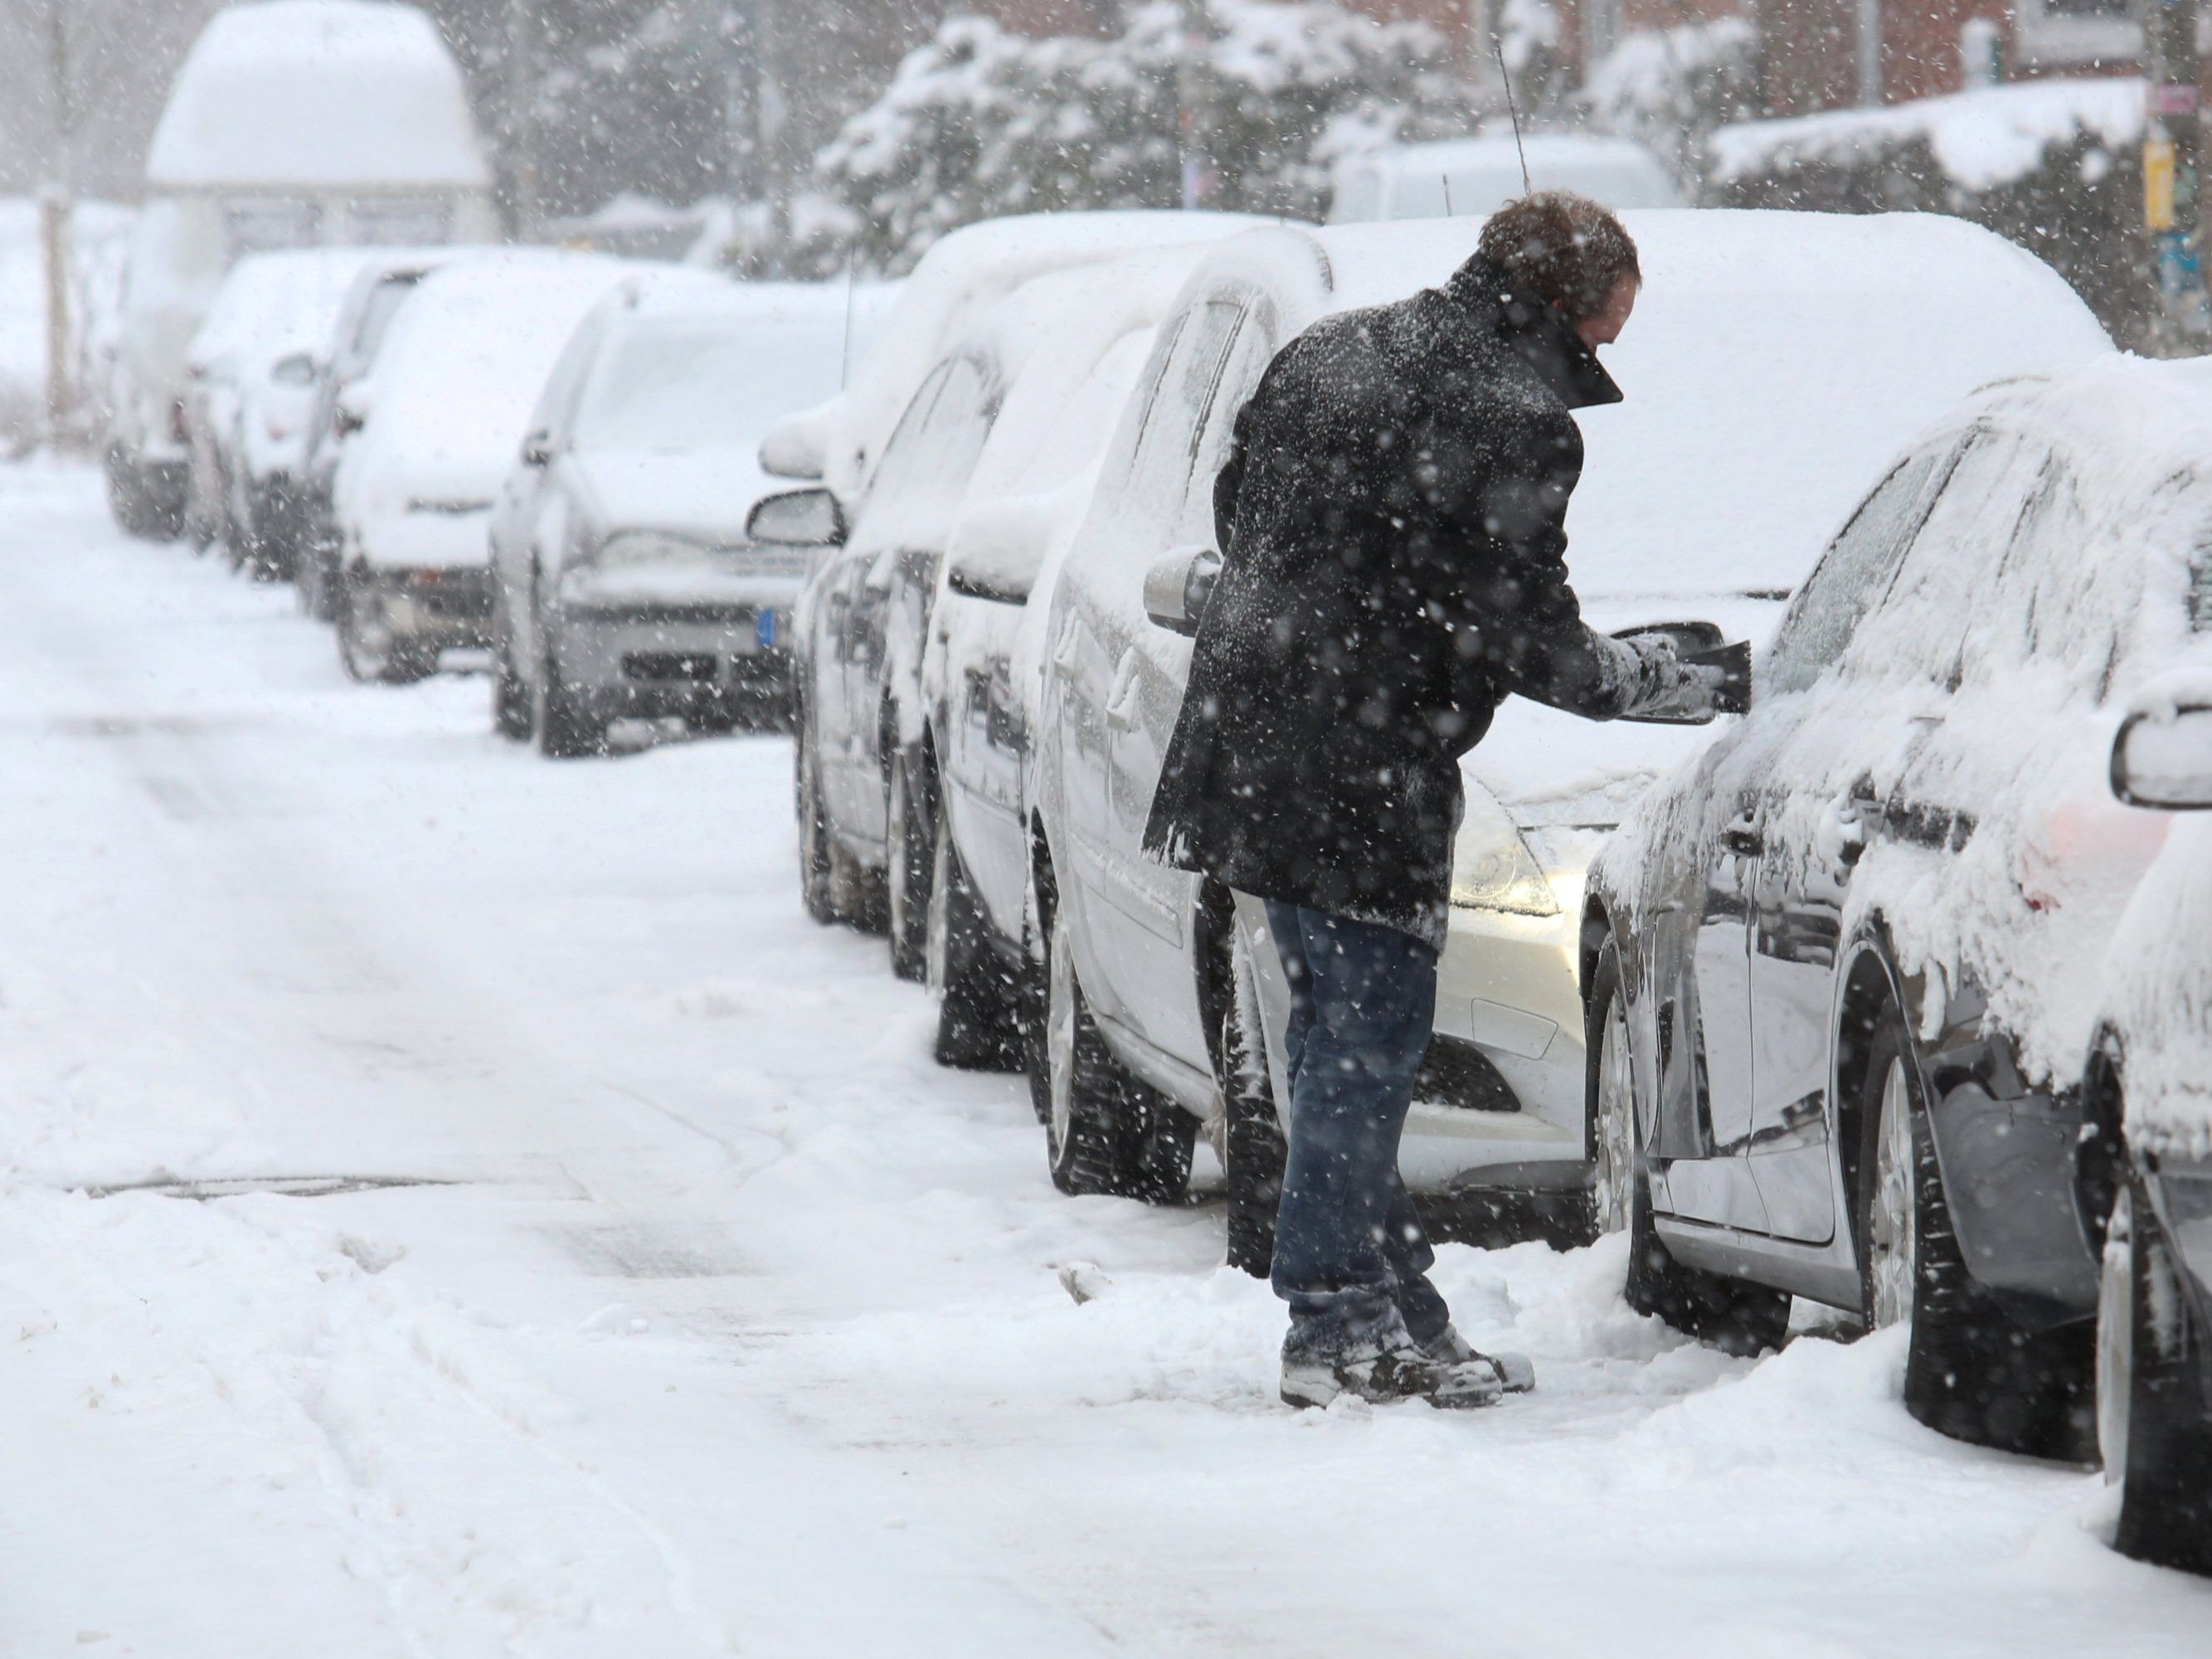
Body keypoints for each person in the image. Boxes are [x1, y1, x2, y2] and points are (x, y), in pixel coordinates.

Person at [1143, 192, 1728, 1410]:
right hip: (1363, 769)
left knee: (1337, 1036)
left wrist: (1344, 613)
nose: (1602, 363)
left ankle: (1392, 1301)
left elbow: (1237, 516)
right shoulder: (1513, 419)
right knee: (1368, 1043)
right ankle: (1332, 1322)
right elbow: (1517, 621)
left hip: (1253, 737)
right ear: (1567, 307)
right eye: (1605, 339)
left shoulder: (1332, 351)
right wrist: (1636, 680)